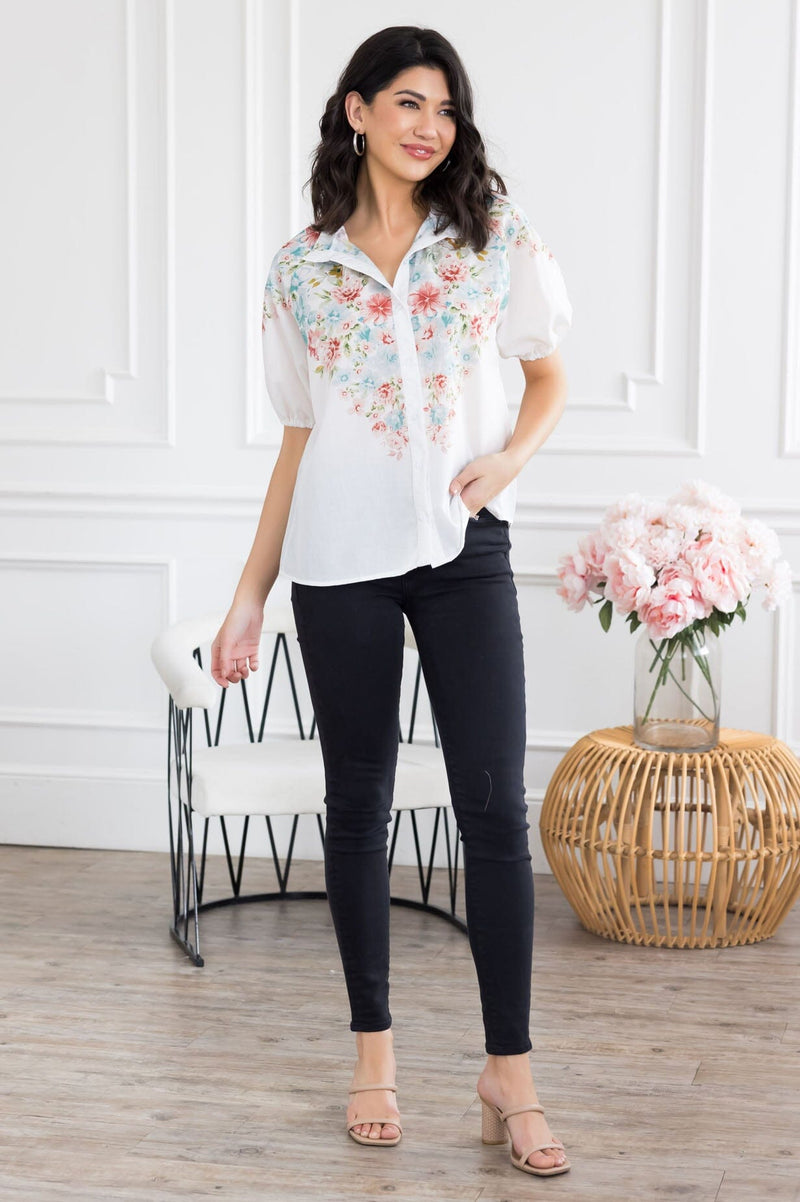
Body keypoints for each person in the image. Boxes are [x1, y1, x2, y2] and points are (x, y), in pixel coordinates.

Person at [211, 24, 573, 1180]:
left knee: (491, 811)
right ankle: (373, 1052)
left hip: (463, 547)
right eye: (408, 102)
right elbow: (298, 438)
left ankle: (508, 1070)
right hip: (336, 559)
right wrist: (247, 596)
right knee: (357, 806)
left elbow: (547, 375)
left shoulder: (488, 233)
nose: (430, 126)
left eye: (445, 108)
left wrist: (506, 460)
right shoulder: (300, 268)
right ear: (357, 110)